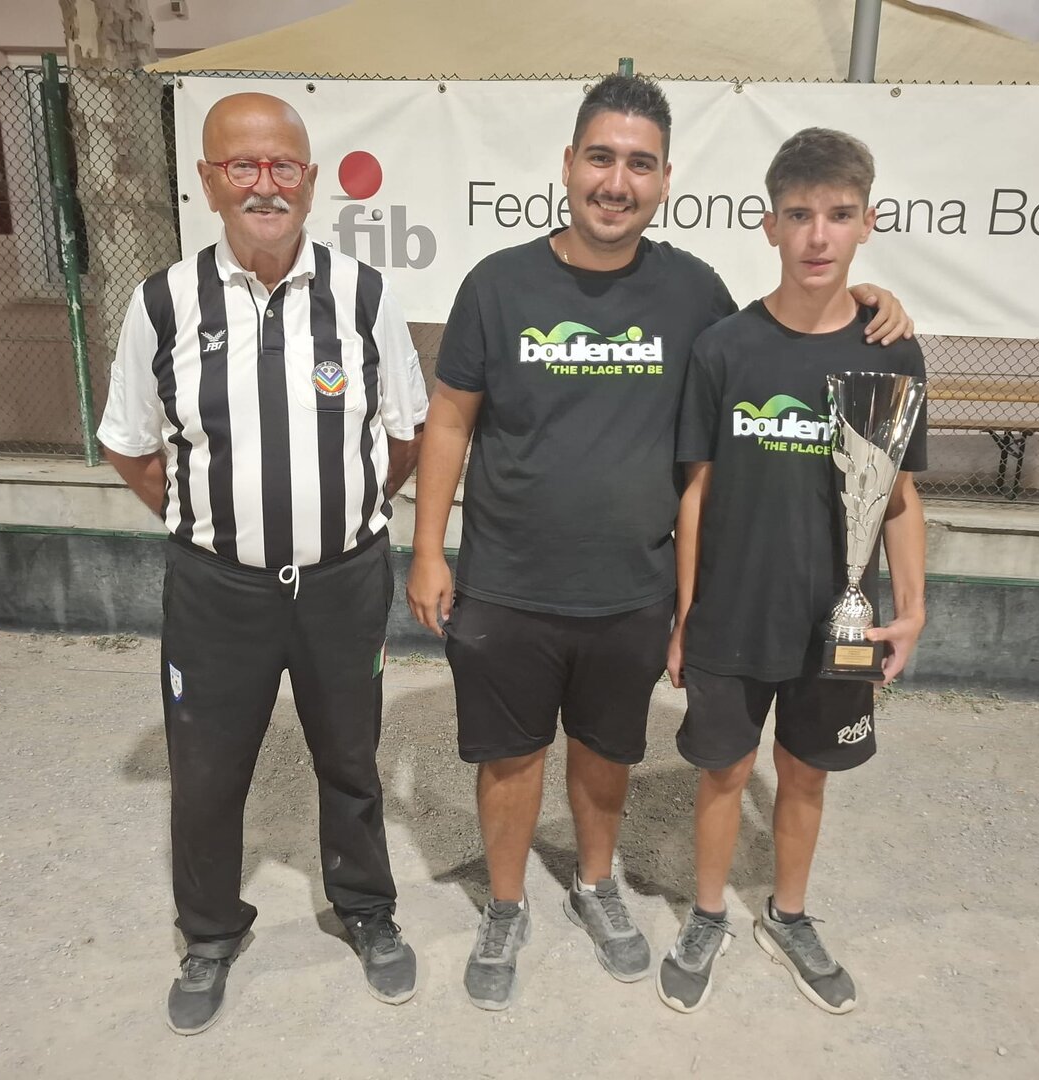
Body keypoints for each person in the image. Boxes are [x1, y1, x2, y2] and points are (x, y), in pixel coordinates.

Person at [406, 76, 913, 1011]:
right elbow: (449, 419)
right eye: (601, 158)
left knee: (606, 750)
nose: (617, 181)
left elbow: (786, 335)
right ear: (569, 164)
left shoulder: (694, 293)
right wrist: (428, 548)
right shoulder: (498, 284)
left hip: (633, 584)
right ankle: (506, 906)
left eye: (640, 164)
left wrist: (870, 300)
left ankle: (596, 886)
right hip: (507, 579)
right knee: (509, 757)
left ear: (666, 179)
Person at [96, 92, 428, 1035]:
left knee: (351, 759)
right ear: (208, 182)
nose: (265, 185)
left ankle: (365, 909)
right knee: (206, 772)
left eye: (283, 166)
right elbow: (129, 444)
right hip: (217, 593)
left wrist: (341, 514)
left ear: (312, 182)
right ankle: (209, 933)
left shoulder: (364, 296)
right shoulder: (163, 303)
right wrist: (212, 524)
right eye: (242, 166)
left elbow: (404, 433)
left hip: (342, 586)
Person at [655, 127, 928, 1016]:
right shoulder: (725, 348)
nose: (818, 235)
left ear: (867, 223)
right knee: (724, 772)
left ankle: (789, 914)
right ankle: (706, 914)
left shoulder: (892, 351)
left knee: (806, 772)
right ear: (769, 225)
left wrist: (913, 609)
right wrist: (686, 613)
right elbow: (696, 490)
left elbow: (899, 498)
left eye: (839, 215)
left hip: (838, 619)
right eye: (800, 215)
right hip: (734, 613)